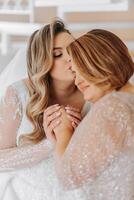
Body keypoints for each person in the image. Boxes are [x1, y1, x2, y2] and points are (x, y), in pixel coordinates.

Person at [0, 20, 90, 199]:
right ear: (43, 63)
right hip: (29, 192)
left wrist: (77, 138)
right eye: (57, 54)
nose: (70, 58)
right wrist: (49, 144)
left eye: (73, 49)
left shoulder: (95, 91)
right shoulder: (19, 94)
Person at [52, 29, 134, 199]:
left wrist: (63, 133)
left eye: (78, 70)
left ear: (99, 60)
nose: (77, 80)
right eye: (73, 73)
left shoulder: (113, 106)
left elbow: (70, 177)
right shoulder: (127, 99)